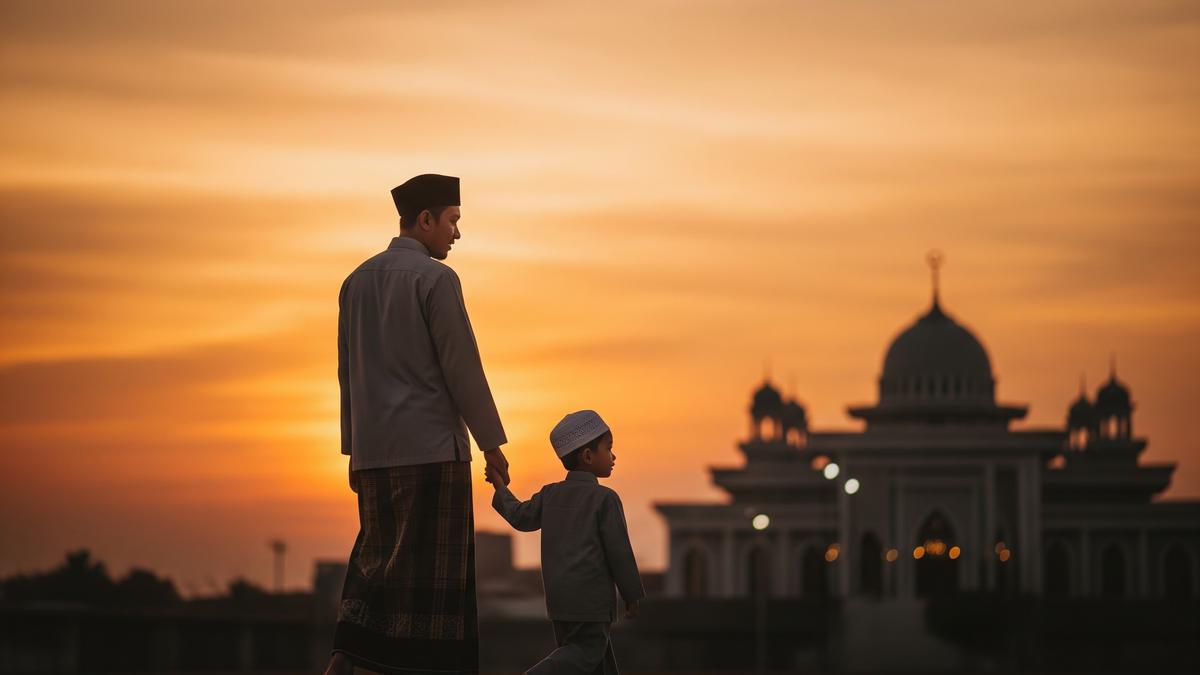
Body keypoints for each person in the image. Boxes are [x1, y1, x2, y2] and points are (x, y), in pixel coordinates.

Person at [326, 174, 511, 675]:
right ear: (425, 220)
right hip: (431, 456)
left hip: (373, 458)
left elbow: (348, 374)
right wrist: (492, 445)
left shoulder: (356, 280)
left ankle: (346, 661)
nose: (456, 234)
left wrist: (352, 452)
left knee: (377, 578)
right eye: (451, 221)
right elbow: (462, 367)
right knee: (433, 596)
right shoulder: (436, 280)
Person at [487, 410, 644, 675]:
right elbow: (619, 552)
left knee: (595, 663)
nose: (613, 457)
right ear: (588, 456)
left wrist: (500, 488)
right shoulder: (605, 499)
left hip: (560, 601)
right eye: (609, 448)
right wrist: (631, 594)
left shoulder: (550, 495)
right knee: (585, 654)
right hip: (591, 603)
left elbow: (519, 517)